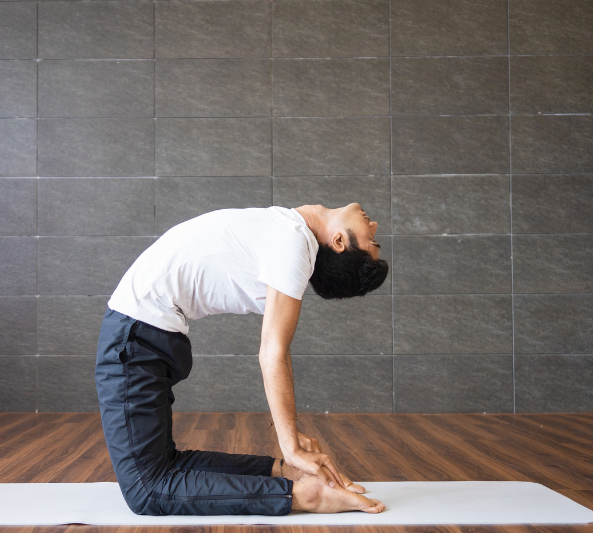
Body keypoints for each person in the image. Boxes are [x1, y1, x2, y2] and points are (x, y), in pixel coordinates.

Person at [94, 203, 389, 516]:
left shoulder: (291, 243)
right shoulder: (290, 236)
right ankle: (286, 475)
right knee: (166, 468)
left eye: (373, 242)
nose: (375, 226)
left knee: (147, 489)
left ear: (340, 242)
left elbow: (274, 349)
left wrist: (291, 445)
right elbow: (278, 347)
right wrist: (291, 452)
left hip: (136, 334)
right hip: (147, 333)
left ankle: (305, 496)